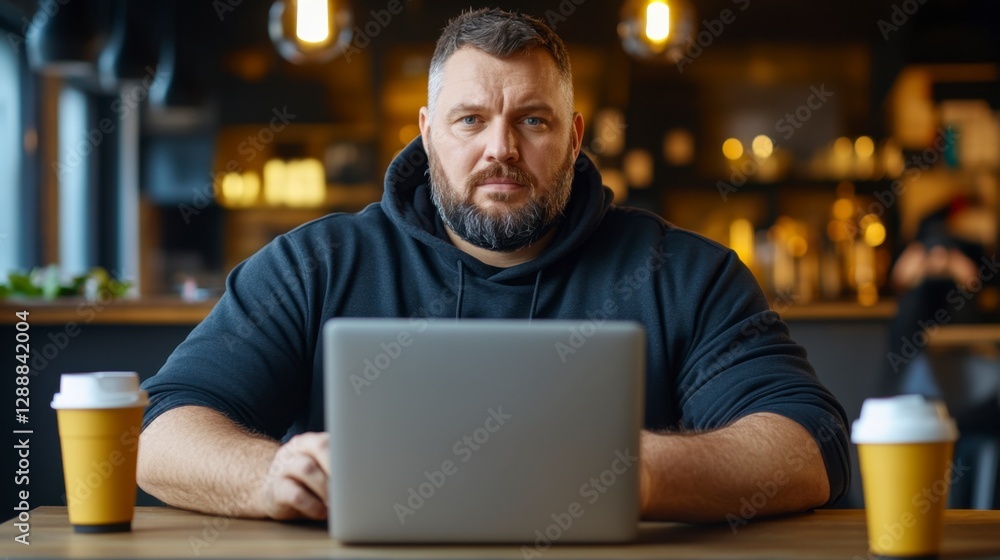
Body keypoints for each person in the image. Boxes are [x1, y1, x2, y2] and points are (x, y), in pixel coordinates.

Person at [138, 8, 850, 523]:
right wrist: (267, 478)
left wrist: (640, 472)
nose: (500, 149)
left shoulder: (686, 274)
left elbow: (807, 445)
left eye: (532, 121)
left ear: (573, 137)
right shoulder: (316, 264)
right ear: (427, 133)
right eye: (471, 119)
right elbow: (158, 434)